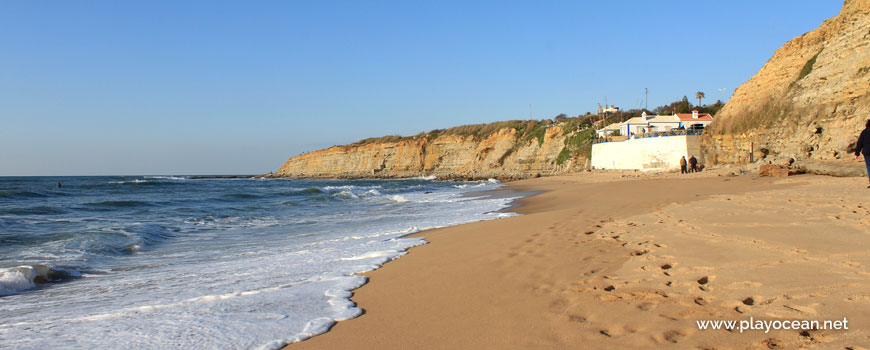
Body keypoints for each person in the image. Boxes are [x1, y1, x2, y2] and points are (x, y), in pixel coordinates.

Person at [855, 119, 870, 188]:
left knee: (869, 167)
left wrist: (857, 153)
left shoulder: (864, 132)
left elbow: (860, 143)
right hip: (867, 152)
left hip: (867, 152)